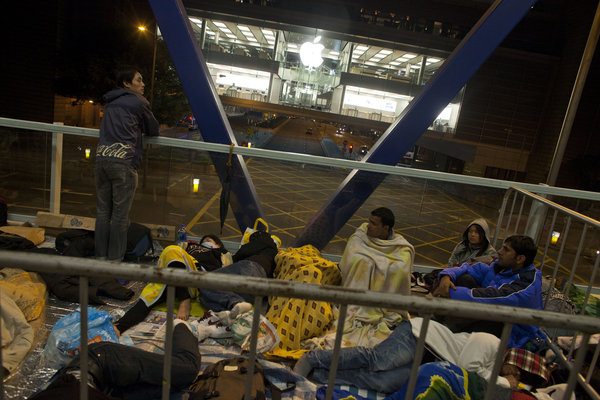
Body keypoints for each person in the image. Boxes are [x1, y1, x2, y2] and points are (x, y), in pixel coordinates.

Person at [294, 317, 518, 393]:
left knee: (382, 382)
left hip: (427, 364)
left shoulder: (490, 371)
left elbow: (476, 377)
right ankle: (313, 359)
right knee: (378, 360)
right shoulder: (493, 343)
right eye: (515, 371)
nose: (514, 375)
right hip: (419, 336)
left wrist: (502, 382)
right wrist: (504, 383)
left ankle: (320, 375)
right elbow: (466, 369)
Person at [29, 321, 203, 400]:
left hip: (102, 361)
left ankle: (183, 326)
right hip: (103, 387)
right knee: (171, 390)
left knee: (186, 370)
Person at [432, 235, 546, 350]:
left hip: (513, 337)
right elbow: (468, 268)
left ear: (520, 259)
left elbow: (492, 297)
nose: (500, 252)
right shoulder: (501, 267)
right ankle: (443, 325)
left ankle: (445, 331)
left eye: (506, 250)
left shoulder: (527, 284)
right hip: (492, 317)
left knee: (488, 314)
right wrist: (446, 277)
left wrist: (449, 292)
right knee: (464, 279)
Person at [94, 66, 159, 261]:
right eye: (139, 80)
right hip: (123, 162)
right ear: (127, 83)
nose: (143, 84)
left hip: (102, 159)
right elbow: (153, 129)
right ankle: (114, 260)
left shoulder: (110, 103)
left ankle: (100, 257)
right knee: (120, 216)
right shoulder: (138, 102)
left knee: (103, 212)